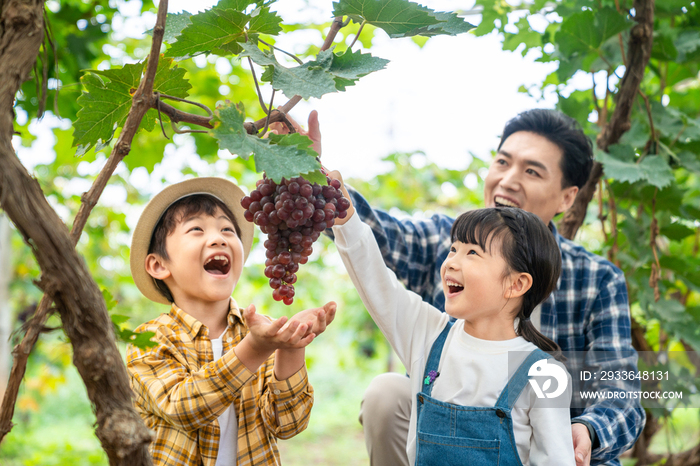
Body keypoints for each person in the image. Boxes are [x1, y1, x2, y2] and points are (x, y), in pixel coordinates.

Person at [274, 108, 645, 466]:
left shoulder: (588, 295)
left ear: (567, 196)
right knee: (386, 392)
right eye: (502, 162)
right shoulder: (430, 333)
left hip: (571, 444)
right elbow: (374, 260)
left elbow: (618, 396)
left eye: (532, 170)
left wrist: (587, 430)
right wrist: (324, 189)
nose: (451, 261)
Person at [332, 201, 576, 465]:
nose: (451, 263)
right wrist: (340, 206)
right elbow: (375, 280)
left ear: (516, 284)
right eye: (453, 249)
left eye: (472, 252)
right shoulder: (429, 335)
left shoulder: (545, 375)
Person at [126, 177, 336, 466]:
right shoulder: (148, 341)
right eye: (196, 230)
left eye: (227, 229)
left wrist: (291, 346)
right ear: (159, 265)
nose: (218, 238)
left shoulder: (260, 333)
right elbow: (182, 408)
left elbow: (289, 423)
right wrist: (255, 350)